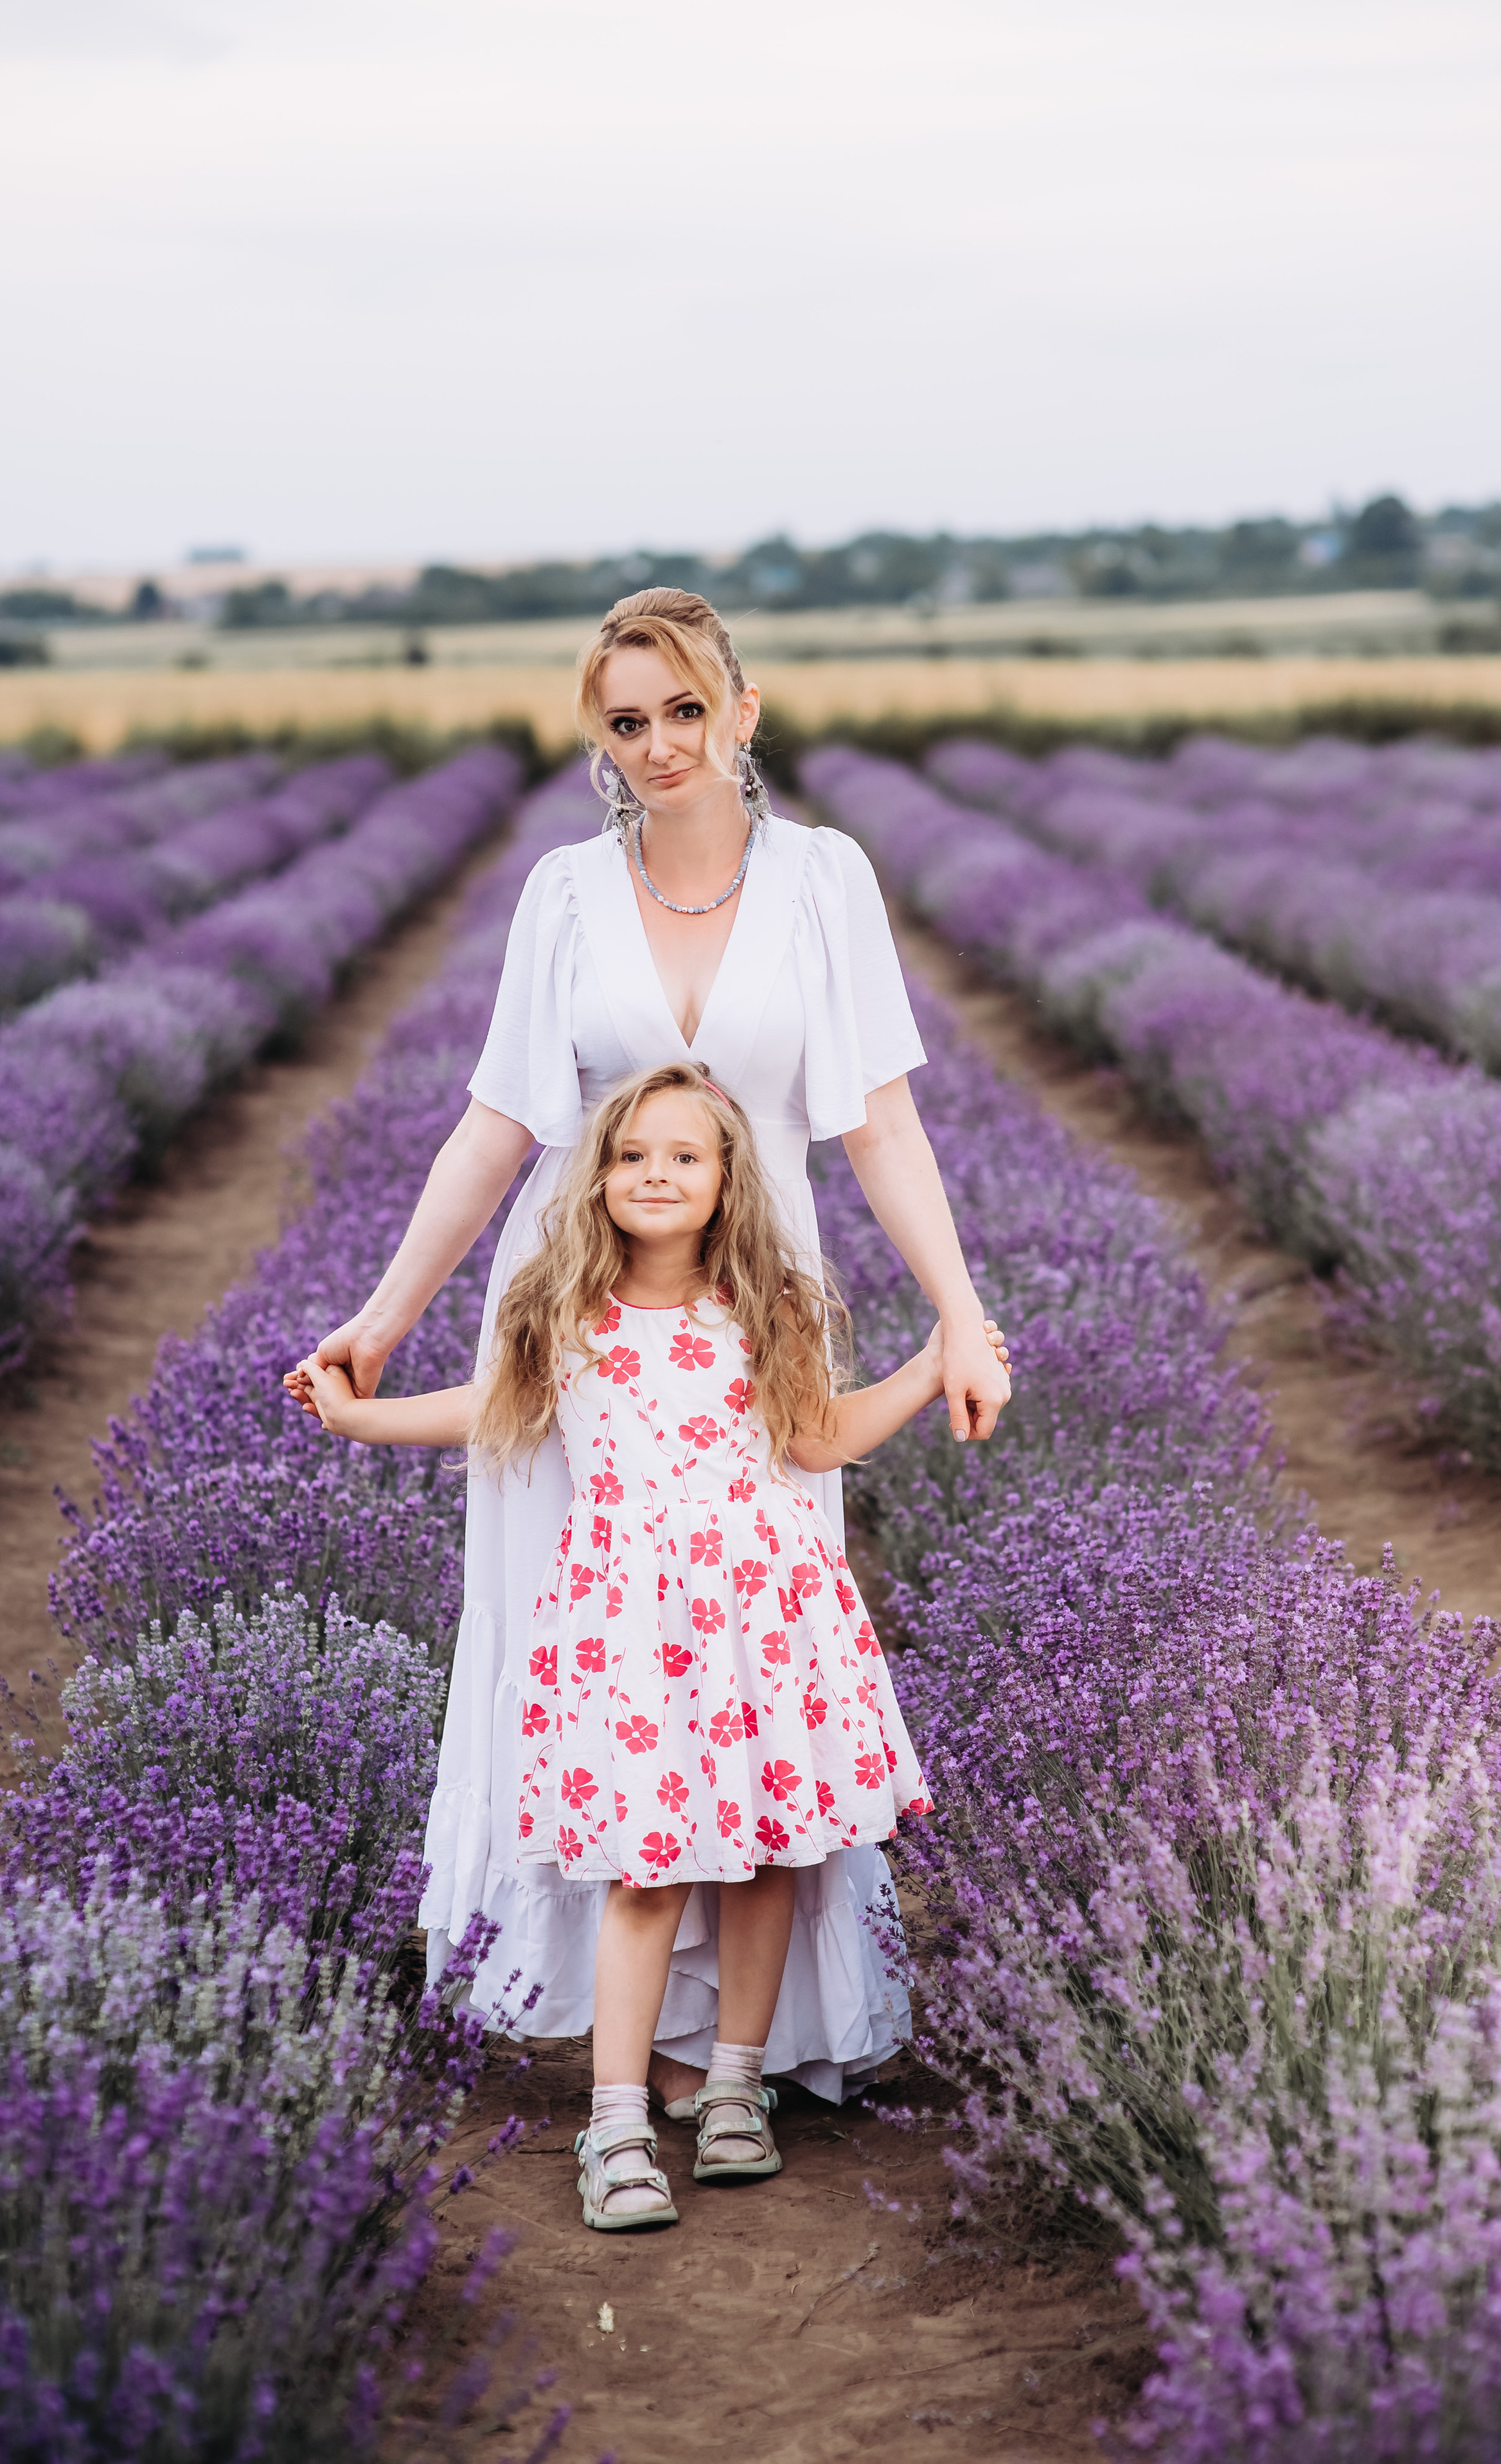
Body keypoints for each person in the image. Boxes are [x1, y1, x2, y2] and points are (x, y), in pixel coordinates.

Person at [297, 587, 1011, 2112]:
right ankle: (619, 2029)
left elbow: (877, 1117)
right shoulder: (562, 891)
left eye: (685, 710)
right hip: (583, 1310)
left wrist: (958, 1312)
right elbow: (498, 1122)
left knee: (751, 1665)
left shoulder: (824, 880)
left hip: (756, 1310)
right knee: (598, 1656)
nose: (659, 744)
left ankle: (720, 2046)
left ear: (740, 713)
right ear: (597, 740)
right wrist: (385, 1311)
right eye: (627, 721)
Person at [288, 1063, 1011, 2230]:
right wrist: (363, 1415)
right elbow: (490, 1409)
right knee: (647, 1863)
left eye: (685, 1155)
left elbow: (819, 1439)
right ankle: (616, 2118)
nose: (656, 1173)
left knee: (776, 1851)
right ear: (600, 1176)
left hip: (764, 1609)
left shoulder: (766, 1300)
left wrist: (933, 1364)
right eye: (631, 1155)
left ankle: (735, 2086)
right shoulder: (564, 1307)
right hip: (630, 1624)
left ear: (728, 1179)